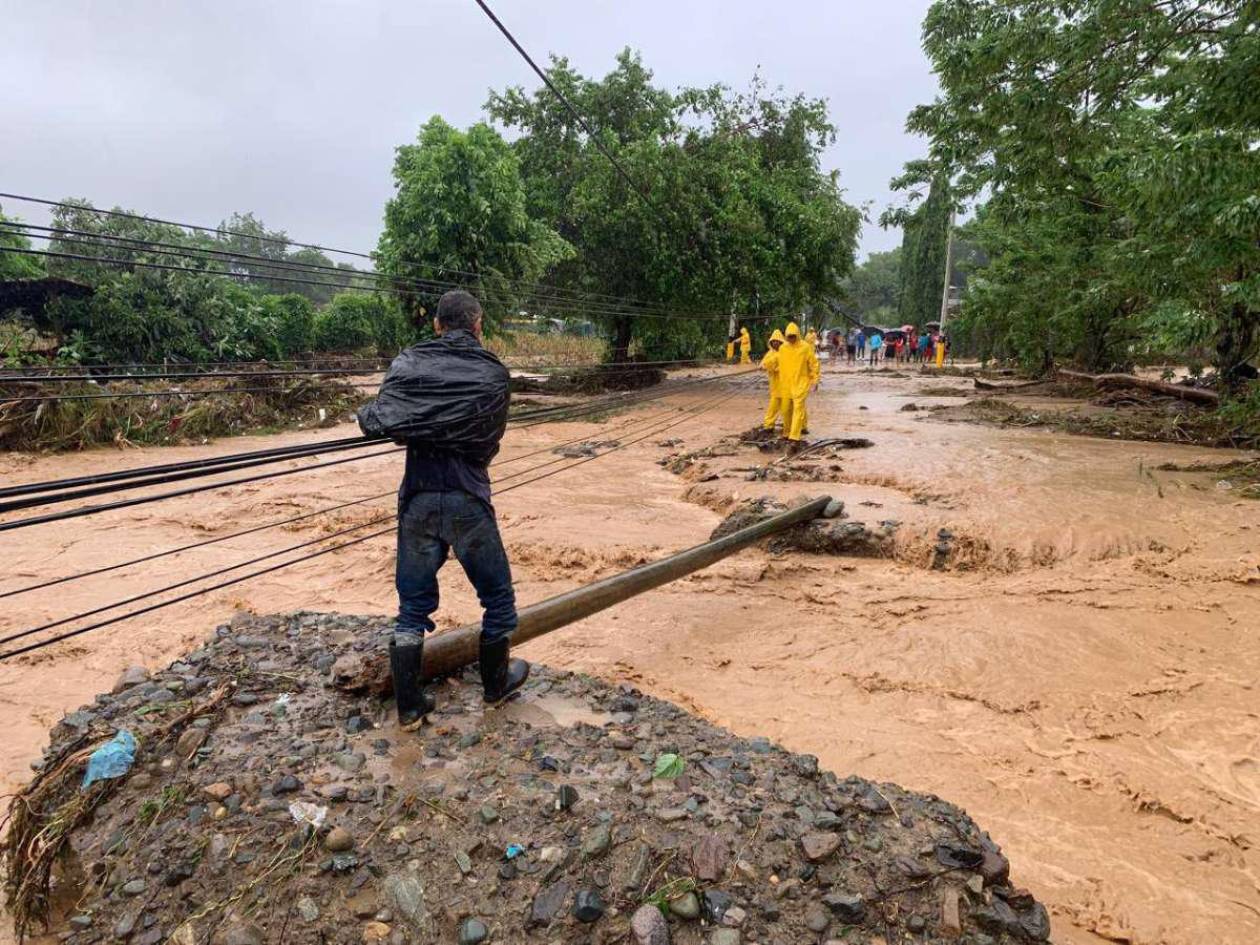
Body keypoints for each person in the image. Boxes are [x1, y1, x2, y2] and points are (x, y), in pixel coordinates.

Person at [358, 290, 528, 725]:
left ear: (437, 325)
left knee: (412, 608)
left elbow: (381, 420)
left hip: (417, 499)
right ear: (477, 325)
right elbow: (487, 441)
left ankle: (411, 709)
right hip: (467, 499)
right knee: (498, 601)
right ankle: (495, 687)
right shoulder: (492, 374)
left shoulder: (409, 364)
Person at [777, 321, 818, 451]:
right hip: (786, 384)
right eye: (789, 336)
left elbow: (814, 364)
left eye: (793, 336)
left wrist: (815, 380)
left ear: (798, 335)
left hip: (801, 383)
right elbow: (776, 360)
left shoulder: (805, 347)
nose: (791, 338)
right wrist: (766, 365)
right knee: (785, 409)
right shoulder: (783, 348)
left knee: (798, 408)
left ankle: (794, 437)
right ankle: (786, 432)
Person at [760, 329, 785, 430]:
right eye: (773, 341)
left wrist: (776, 368)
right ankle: (769, 425)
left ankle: (796, 427)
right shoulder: (770, 353)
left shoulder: (786, 352)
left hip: (786, 386)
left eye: (777, 341)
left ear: (781, 342)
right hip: (775, 386)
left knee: (789, 409)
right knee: (773, 407)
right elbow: (763, 363)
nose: (775, 343)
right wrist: (763, 366)